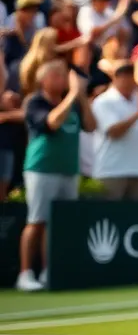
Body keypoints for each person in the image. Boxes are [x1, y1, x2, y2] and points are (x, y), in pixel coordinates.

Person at [17, 61, 96, 291]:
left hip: (68, 170)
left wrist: (80, 97)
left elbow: (91, 126)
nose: (64, 79)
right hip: (42, 169)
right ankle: (24, 273)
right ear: (44, 80)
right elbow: (51, 122)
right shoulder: (35, 102)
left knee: (57, 224)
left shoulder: (73, 102)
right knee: (36, 221)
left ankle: (48, 271)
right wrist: (73, 94)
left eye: (65, 76)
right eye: (58, 75)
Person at [90, 61, 138, 201]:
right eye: (124, 75)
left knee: (134, 220)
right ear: (115, 78)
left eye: (130, 75)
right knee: (109, 218)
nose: (128, 80)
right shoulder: (103, 102)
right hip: (111, 171)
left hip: (137, 170)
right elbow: (114, 132)